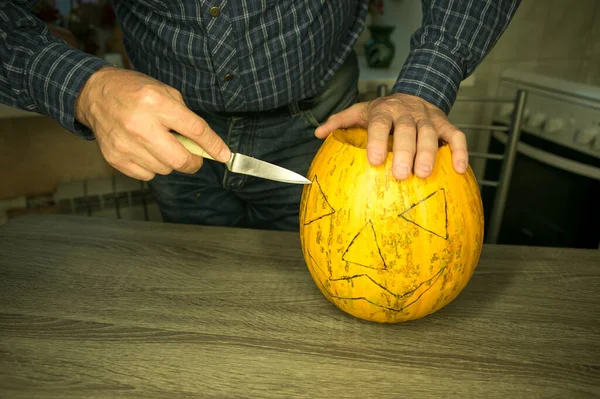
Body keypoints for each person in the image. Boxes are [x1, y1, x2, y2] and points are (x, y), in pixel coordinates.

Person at [0, 0, 521, 231]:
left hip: (321, 128)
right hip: (174, 137)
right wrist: (82, 87)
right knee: (203, 295)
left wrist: (427, 82)